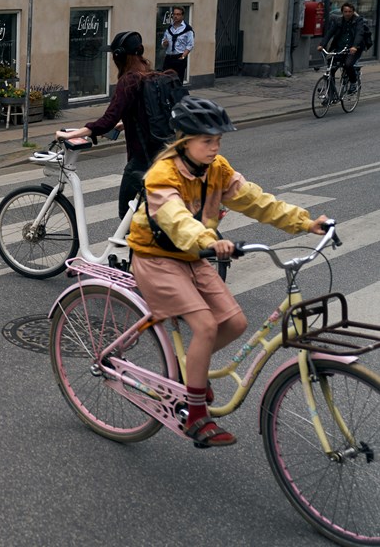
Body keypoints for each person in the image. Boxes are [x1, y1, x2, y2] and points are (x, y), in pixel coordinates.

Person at [126, 96, 328, 448]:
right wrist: (208, 239)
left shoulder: (217, 169)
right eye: (208, 140)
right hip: (156, 258)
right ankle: (195, 414)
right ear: (183, 141)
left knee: (234, 323)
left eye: (218, 140)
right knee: (205, 324)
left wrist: (306, 222)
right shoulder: (163, 174)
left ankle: (189, 371)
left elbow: (255, 200)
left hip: (193, 256)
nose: (215, 146)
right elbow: (175, 218)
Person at [56, 30, 176, 219]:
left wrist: (72, 134)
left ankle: (139, 248)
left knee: (126, 215)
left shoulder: (128, 81)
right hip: (163, 153)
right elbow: (151, 115)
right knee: (147, 215)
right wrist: (125, 124)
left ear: (119, 56)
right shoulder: (151, 76)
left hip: (142, 161)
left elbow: (107, 121)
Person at [317, 2, 367, 94]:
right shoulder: (338, 21)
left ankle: (353, 83)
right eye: (345, 11)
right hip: (340, 48)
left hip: (353, 49)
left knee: (348, 65)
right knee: (331, 67)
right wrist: (322, 45)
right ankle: (330, 91)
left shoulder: (358, 21)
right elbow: (329, 33)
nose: (347, 13)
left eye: (350, 11)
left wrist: (355, 46)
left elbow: (359, 34)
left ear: (353, 12)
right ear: (342, 12)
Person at [160, 6, 193, 82]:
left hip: (179, 57)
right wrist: (164, 43)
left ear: (182, 16)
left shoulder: (188, 29)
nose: (175, 16)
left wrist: (183, 57)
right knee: (165, 80)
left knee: (177, 81)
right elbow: (163, 42)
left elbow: (190, 45)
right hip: (169, 58)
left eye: (178, 14)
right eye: (174, 14)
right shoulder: (169, 28)